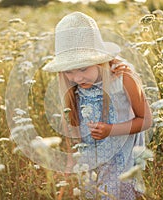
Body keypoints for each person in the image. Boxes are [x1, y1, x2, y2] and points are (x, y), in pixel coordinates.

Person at [42, 11, 152, 200]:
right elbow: (73, 141)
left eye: (84, 68)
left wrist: (111, 130)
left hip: (120, 163)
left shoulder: (122, 79)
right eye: (69, 71)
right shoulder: (73, 89)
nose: (77, 78)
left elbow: (146, 120)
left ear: (100, 60)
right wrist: (68, 173)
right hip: (91, 166)